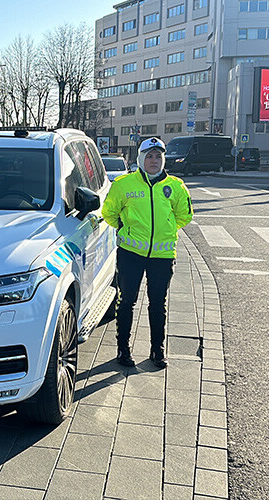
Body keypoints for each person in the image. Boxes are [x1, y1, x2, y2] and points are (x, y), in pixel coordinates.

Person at [101, 137, 193, 369]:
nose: (154, 161)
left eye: (158, 156)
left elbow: (185, 216)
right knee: (126, 302)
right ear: (141, 159)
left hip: (162, 257)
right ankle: (123, 350)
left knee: (157, 304)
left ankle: (157, 350)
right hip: (131, 254)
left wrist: (166, 229)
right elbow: (109, 212)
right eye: (149, 156)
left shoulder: (175, 186)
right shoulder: (124, 184)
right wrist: (126, 228)